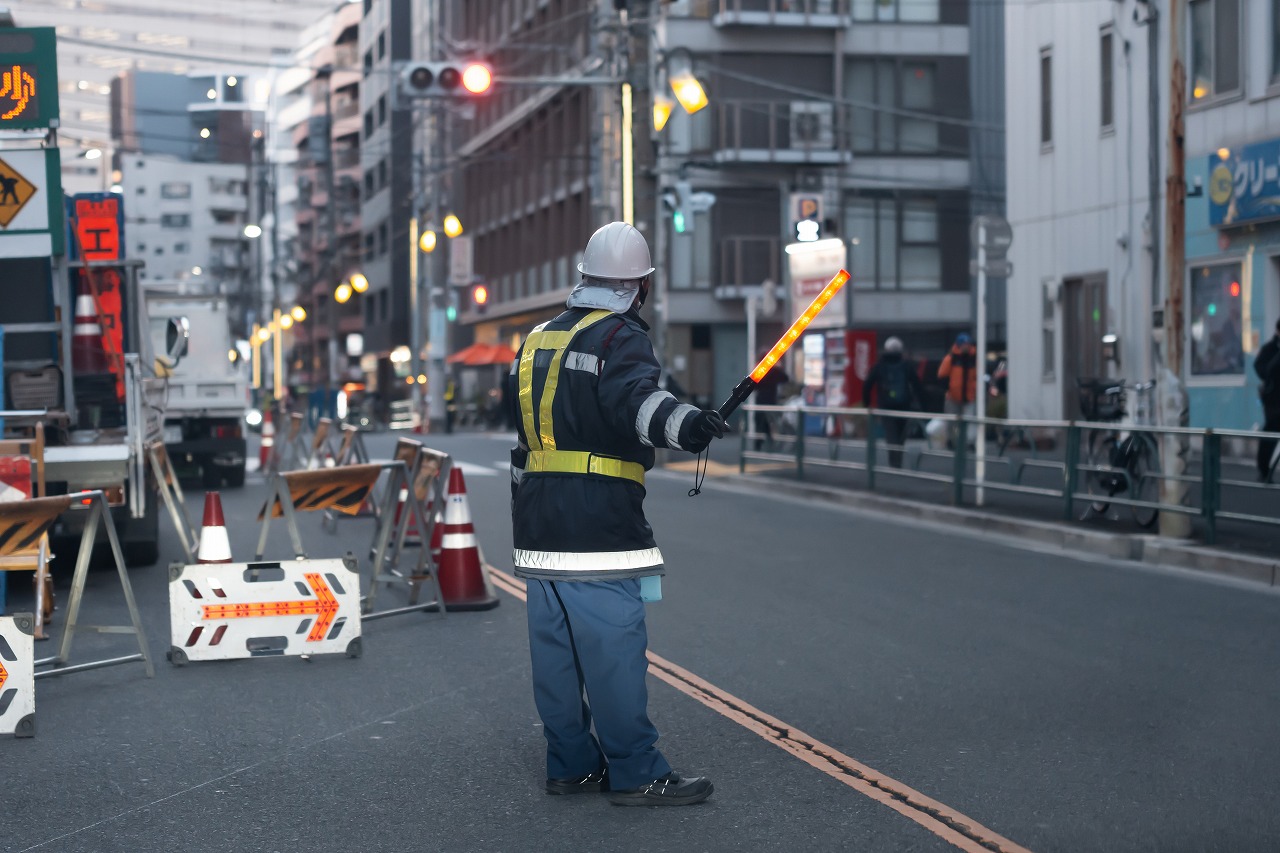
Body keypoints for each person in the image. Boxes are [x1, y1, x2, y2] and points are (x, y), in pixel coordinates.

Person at [507, 221, 726, 806]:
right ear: (640, 286)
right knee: (612, 654)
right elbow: (638, 402)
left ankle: (571, 765)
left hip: (537, 522)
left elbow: (527, 430)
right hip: (596, 523)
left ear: (584, 276)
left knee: (556, 657)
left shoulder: (537, 339)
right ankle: (637, 772)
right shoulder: (619, 336)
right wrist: (692, 425)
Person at [862, 337, 923, 468]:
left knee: (891, 434)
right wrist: (921, 404)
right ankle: (897, 459)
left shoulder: (879, 366)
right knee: (901, 434)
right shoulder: (907, 365)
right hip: (904, 405)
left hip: (885, 405)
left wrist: (867, 404)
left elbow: (867, 385)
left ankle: (894, 462)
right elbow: (917, 385)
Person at [937, 333, 978, 446]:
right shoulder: (951, 358)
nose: (966, 346)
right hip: (953, 396)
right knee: (952, 421)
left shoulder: (974, 359)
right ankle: (952, 440)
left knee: (970, 420)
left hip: (969, 396)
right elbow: (942, 375)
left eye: (968, 344)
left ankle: (970, 442)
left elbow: (976, 376)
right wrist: (948, 389)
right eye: (964, 344)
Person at [1255, 318, 1280, 482]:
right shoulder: (1270, 349)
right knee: (1271, 431)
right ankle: (1263, 468)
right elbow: (1261, 368)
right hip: (1273, 399)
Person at [752, 354, 789, 451]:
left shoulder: (760, 371)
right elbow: (785, 378)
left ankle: (758, 444)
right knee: (769, 421)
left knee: (759, 422)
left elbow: (754, 387)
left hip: (760, 400)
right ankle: (769, 443)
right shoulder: (775, 370)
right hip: (771, 400)